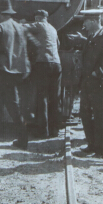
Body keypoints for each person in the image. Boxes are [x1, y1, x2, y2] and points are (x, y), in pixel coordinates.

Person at [68, 11, 103, 158]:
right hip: (87, 82)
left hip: (97, 83)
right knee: (85, 114)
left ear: (93, 21)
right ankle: (92, 145)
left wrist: (96, 73)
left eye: (85, 22)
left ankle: (102, 150)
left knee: (99, 115)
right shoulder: (92, 36)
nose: (83, 25)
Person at [0, 0, 30, 150]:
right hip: (21, 70)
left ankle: (23, 138)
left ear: (1, 14)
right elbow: (31, 45)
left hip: (6, 71)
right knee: (2, 100)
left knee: (12, 104)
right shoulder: (20, 27)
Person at [26, 10, 62, 138]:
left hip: (43, 64)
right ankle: (55, 131)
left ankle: (43, 131)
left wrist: (20, 23)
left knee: (42, 98)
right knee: (54, 98)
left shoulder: (39, 25)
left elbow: (24, 28)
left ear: (38, 18)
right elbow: (58, 45)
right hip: (56, 65)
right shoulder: (53, 29)